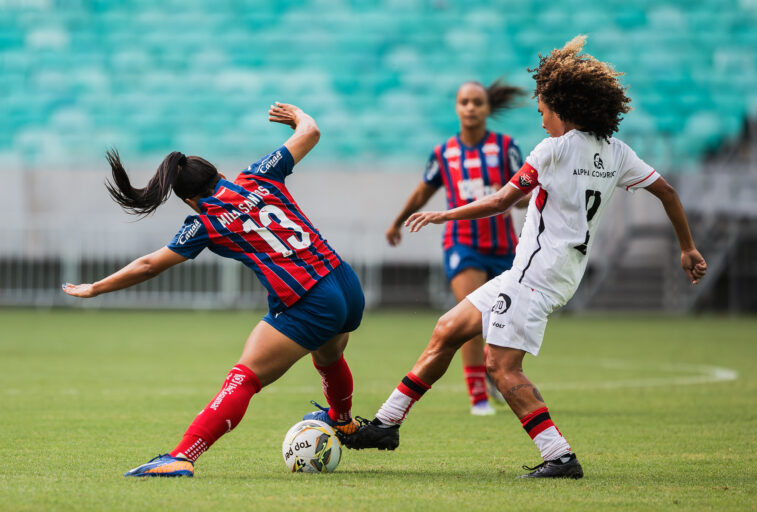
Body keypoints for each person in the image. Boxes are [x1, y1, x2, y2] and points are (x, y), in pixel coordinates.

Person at [339, 36, 707, 479]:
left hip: (535, 276)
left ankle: (560, 456)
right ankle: (387, 424)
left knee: (500, 366)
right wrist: (687, 247)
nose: (542, 122)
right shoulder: (617, 152)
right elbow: (666, 192)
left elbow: (499, 202)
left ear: (561, 106)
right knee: (448, 329)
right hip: (551, 273)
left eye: (543, 113)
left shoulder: (552, 150)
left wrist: (445, 214)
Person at [62, 103, 365, 477]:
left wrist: (95, 288)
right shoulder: (260, 174)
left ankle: (181, 457)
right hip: (346, 282)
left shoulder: (205, 222)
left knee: (244, 377)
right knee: (329, 355)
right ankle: (344, 421)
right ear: (220, 173)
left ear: (189, 200)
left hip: (309, 298)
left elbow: (148, 265)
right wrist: (298, 116)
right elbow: (311, 132)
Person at [385, 79, 527, 415]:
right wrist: (397, 221)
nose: (471, 108)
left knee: (502, 321)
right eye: (465, 102)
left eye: (477, 102)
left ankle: (495, 375)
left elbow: (523, 193)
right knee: (471, 317)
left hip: (504, 245)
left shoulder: (506, 148)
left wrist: (518, 199)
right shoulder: (444, 153)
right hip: (463, 243)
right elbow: (422, 193)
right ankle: (477, 394)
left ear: (487, 108)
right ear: (457, 107)